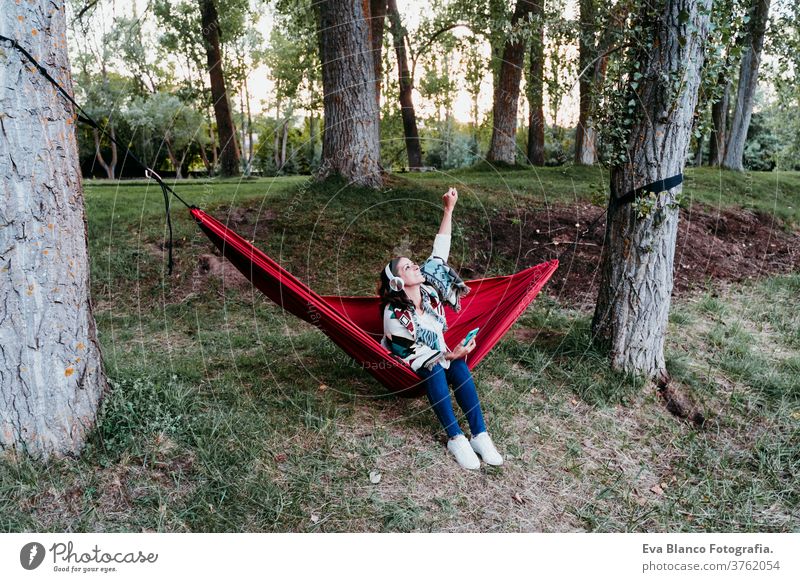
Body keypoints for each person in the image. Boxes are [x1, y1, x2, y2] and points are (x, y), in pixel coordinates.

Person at [378, 187, 503, 470]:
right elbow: (407, 351)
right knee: (437, 366)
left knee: (459, 366)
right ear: (397, 282)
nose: (416, 267)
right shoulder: (393, 313)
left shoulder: (429, 291)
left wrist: (449, 209)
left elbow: (439, 254)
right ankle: (455, 438)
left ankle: (480, 435)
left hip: (438, 356)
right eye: (408, 267)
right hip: (408, 364)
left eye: (413, 264)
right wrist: (447, 355)